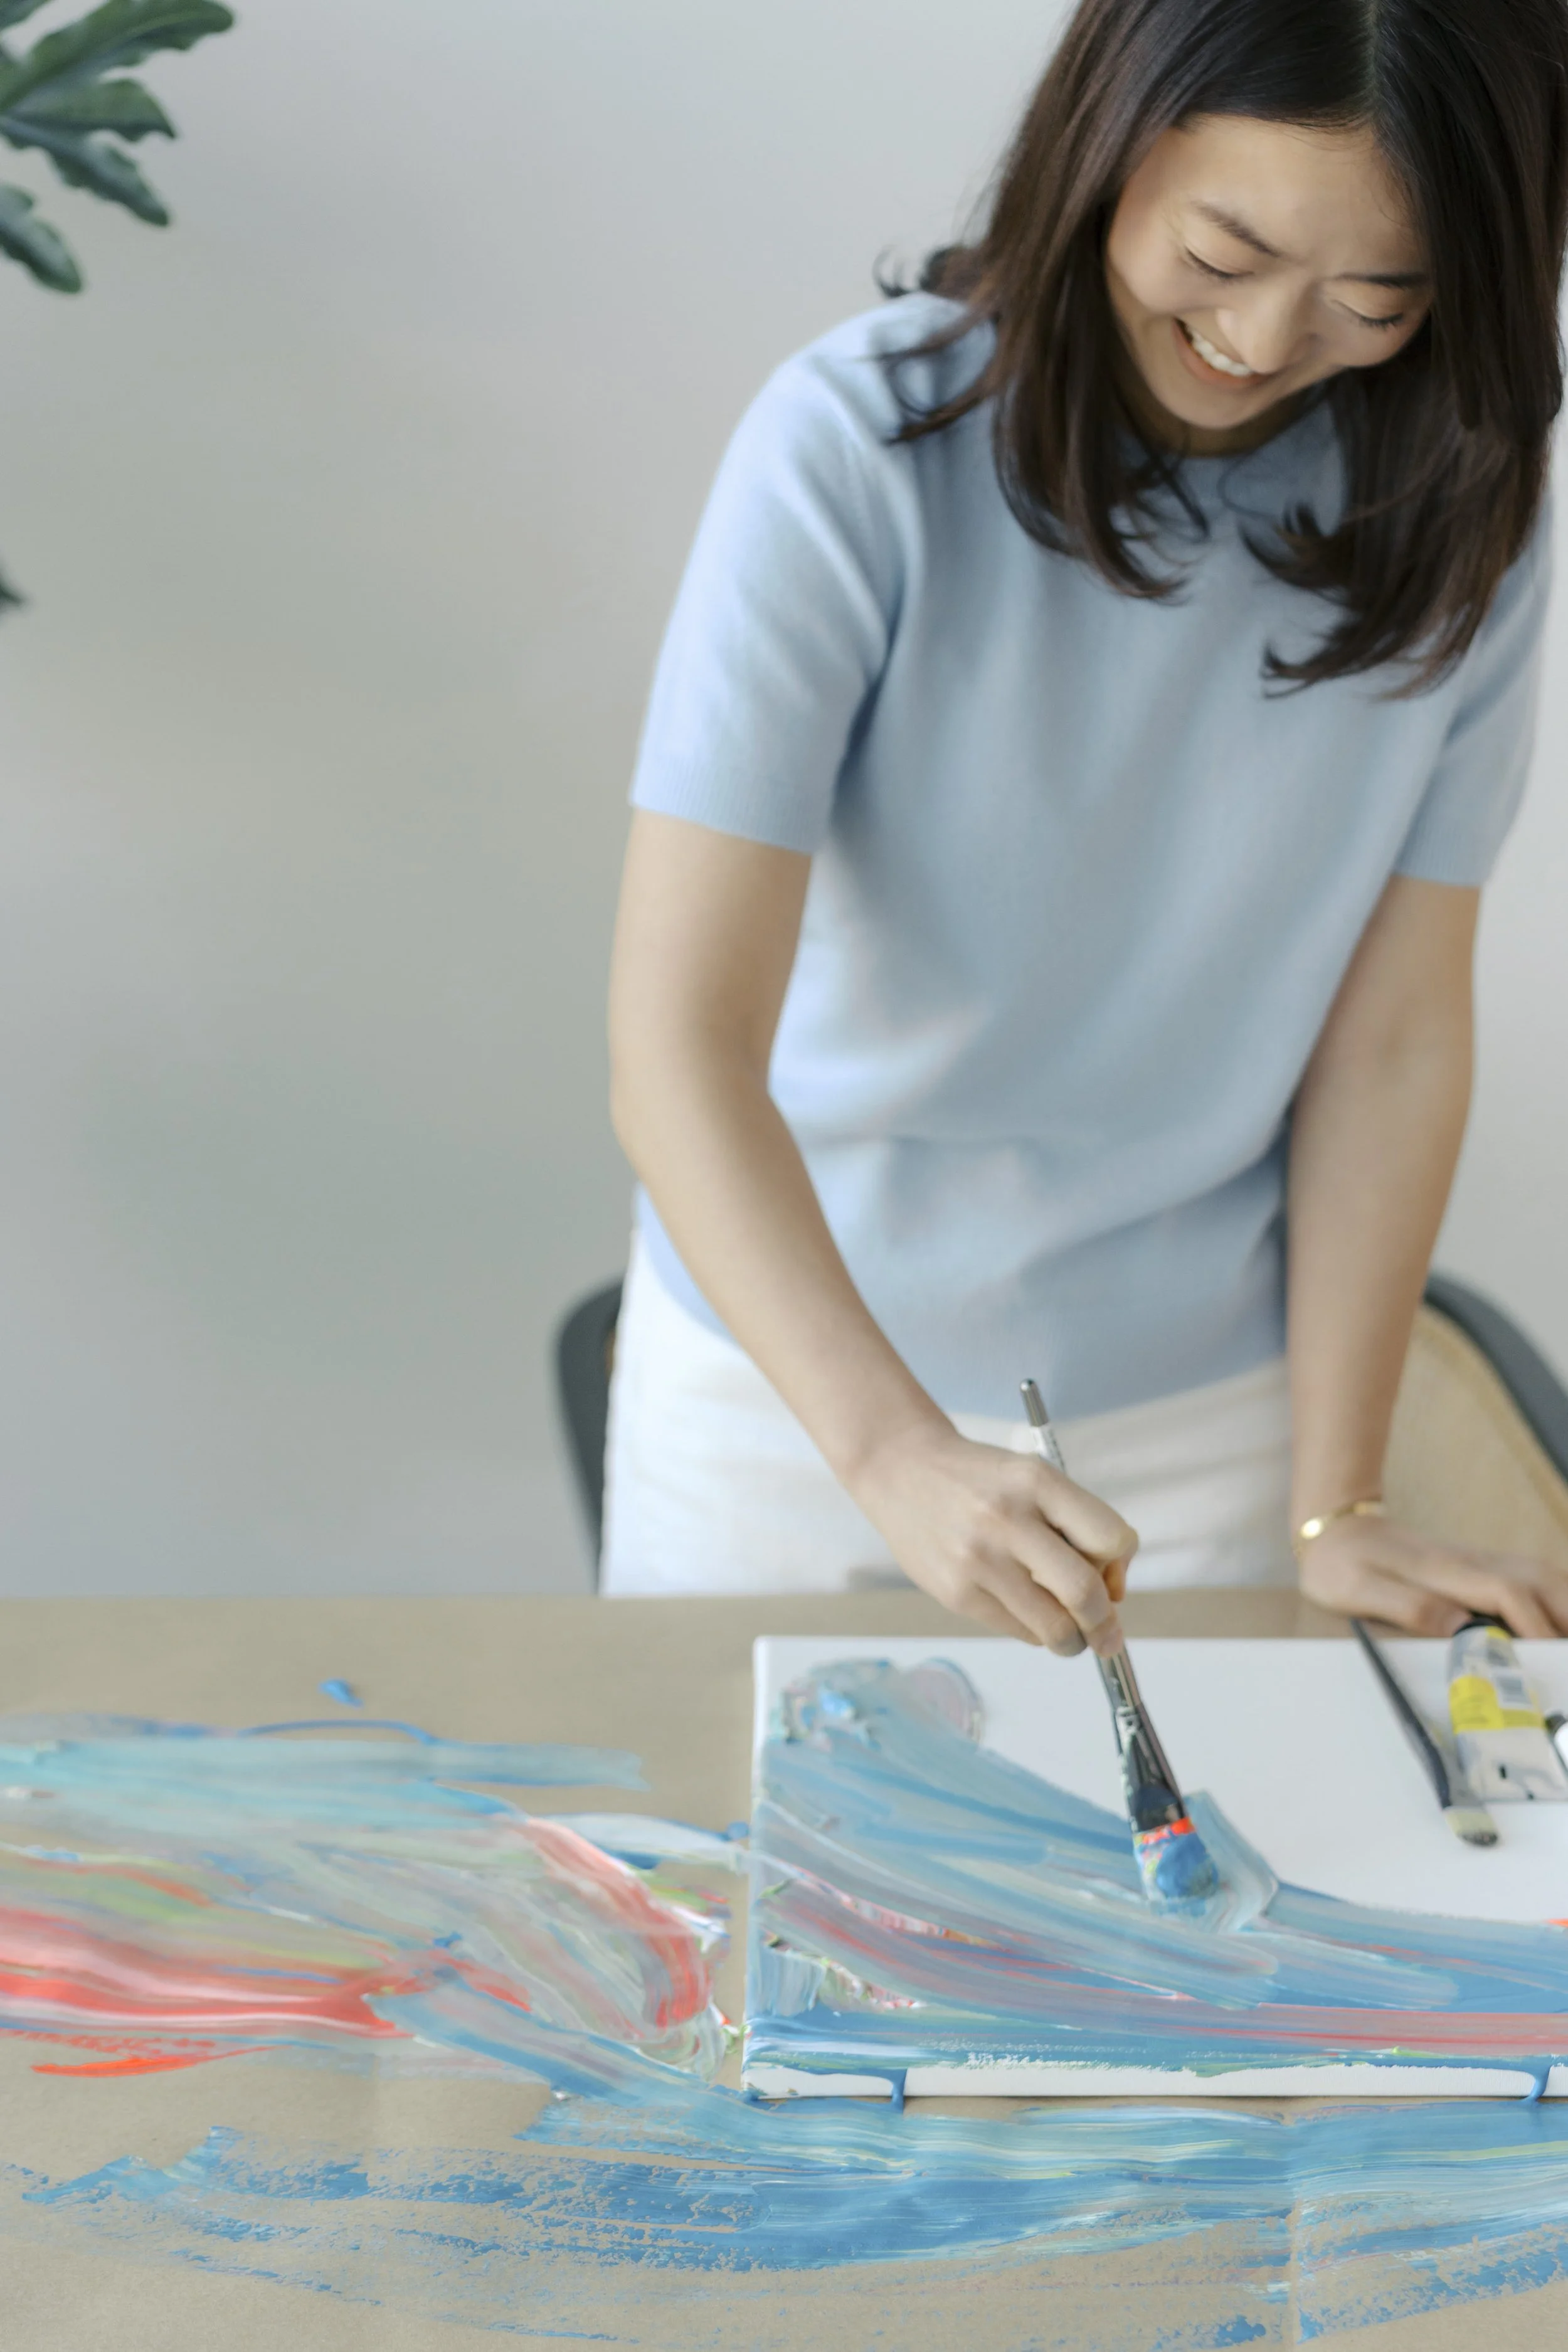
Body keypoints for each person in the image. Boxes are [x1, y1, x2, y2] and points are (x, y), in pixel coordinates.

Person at [603, 0, 1568, 1654]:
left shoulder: (1462, 504)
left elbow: (1390, 1041)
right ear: (1116, 137)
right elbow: (676, 1043)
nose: (1265, 339)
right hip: (798, 1397)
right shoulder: (852, 446)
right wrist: (895, 1450)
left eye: (1371, 298)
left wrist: (1336, 1502)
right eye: (1226, 247)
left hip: (1209, 1410)